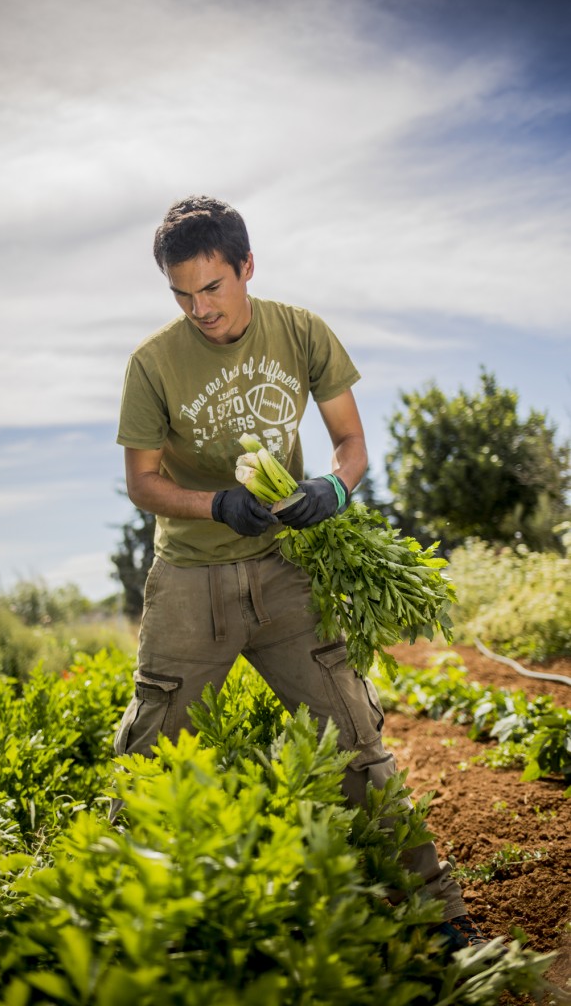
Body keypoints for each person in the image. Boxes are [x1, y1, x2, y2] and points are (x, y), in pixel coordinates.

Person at [114, 194, 489, 955]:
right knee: (150, 758)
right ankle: (136, 933)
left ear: (246, 267)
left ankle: (435, 912)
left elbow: (350, 442)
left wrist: (334, 487)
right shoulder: (152, 364)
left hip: (285, 570)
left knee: (354, 743)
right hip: (191, 581)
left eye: (212, 288)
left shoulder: (301, 331)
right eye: (181, 295)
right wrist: (214, 503)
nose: (199, 309)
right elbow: (143, 482)